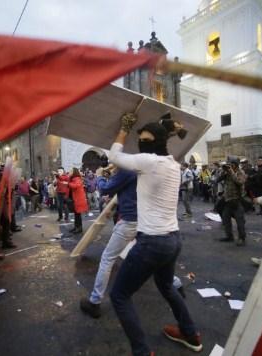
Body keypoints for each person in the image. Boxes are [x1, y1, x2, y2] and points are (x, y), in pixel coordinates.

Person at [107, 113, 202, 355]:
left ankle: (141, 351)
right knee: (167, 286)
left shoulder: (149, 162)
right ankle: (190, 334)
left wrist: (124, 127)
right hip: (172, 239)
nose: (142, 143)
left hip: (152, 243)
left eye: (145, 140)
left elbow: (114, 155)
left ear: (156, 143)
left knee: (119, 295)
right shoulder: (172, 164)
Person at [80, 167, 138, 318]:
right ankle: (175, 285)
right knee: (152, 256)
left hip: (130, 221)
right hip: (145, 220)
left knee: (107, 259)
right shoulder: (142, 167)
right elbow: (131, 192)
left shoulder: (127, 169)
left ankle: (95, 302)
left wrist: (99, 175)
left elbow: (105, 188)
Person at [218, 156, 247, 246]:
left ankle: (242, 238)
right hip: (228, 200)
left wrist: (231, 172)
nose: (230, 166)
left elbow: (239, 182)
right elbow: (218, 180)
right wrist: (223, 171)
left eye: (232, 164)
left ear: (236, 164)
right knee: (226, 219)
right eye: (229, 164)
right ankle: (229, 236)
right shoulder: (227, 172)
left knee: (240, 221)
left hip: (237, 200)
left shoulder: (240, 172)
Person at [68, 167, 88, 233]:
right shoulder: (73, 179)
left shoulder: (77, 179)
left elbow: (76, 186)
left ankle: (79, 228)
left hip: (78, 199)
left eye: (71, 171)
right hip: (75, 199)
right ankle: (76, 227)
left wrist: (68, 184)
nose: (69, 172)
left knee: (77, 215)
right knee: (76, 214)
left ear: (74, 172)